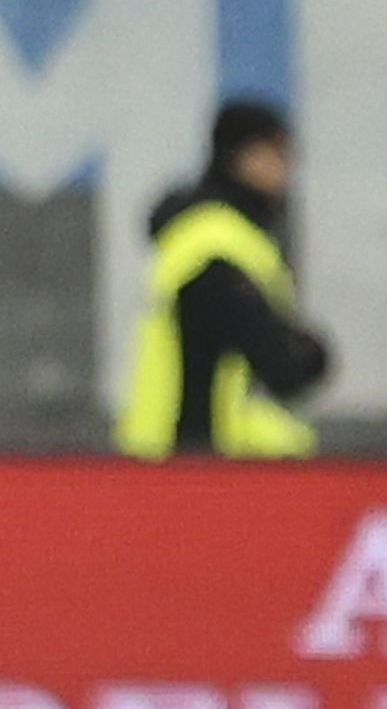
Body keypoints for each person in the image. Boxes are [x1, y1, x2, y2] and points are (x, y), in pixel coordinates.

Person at [117, 98, 335, 458]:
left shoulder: (194, 235)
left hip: (167, 449)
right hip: (206, 458)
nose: (287, 167)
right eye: (277, 152)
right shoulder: (222, 245)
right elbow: (280, 366)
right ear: (244, 157)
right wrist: (311, 353)